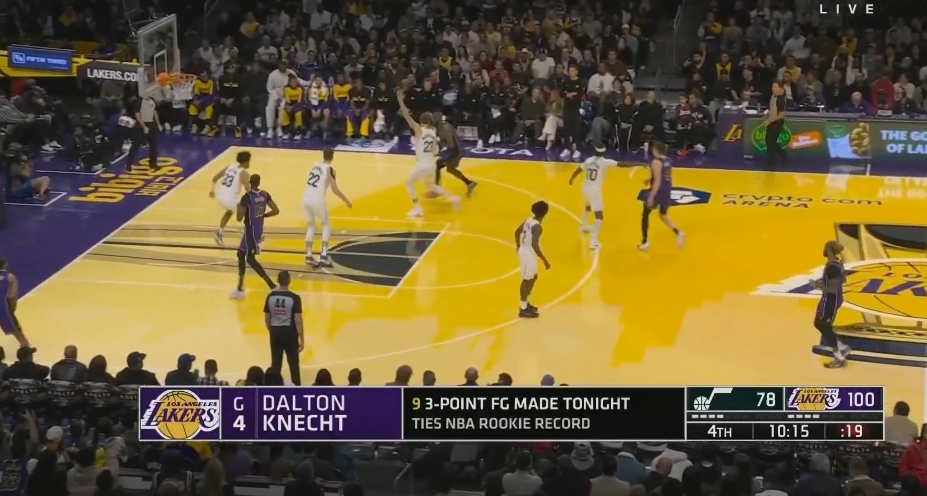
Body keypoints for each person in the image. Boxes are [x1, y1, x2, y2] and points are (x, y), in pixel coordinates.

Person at [396, 88, 460, 217]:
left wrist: (400, 100)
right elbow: (436, 151)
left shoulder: (419, 129)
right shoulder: (433, 132)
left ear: (420, 121)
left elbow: (406, 115)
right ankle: (451, 197)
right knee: (431, 185)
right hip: (432, 164)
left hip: (423, 165)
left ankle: (417, 208)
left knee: (409, 183)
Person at [230, 174, 279, 299]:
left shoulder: (247, 198)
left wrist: (238, 207)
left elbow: (239, 218)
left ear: (249, 183)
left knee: (250, 259)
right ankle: (240, 288)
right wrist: (264, 216)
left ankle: (272, 285)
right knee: (241, 253)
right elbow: (276, 210)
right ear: (259, 182)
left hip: (250, 231)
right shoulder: (265, 194)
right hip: (258, 229)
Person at [302, 148, 352, 267]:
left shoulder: (315, 165)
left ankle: (308, 255)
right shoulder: (330, 170)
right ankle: (324, 255)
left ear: (323, 155)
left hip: (305, 198)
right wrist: (346, 201)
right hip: (317, 200)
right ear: (332, 156)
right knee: (326, 225)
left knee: (311, 226)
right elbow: (334, 189)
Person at [811, 240, 852, 368]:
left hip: (831, 299)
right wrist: (824, 281)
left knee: (823, 325)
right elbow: (843, 280)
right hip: (833, 298)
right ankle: (841, 347)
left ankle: (839, 357)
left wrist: (817, 286)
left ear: (829, 250)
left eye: (825, 247)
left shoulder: (832, 267)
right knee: (820, 324)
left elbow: (832, 289)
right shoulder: (837, 263)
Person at [569, 145, 618, 250]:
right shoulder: (604, 162)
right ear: (604, 153)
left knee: (588, 207)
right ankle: (593, 242)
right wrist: (638, 164)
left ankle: (583, 226)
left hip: (585, 187)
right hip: (594, 190)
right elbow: (621, 164)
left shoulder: (589, 160)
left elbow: (579, 169)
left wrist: (572, 178)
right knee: (599, 216)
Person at [639, 141, 685, 251]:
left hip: (659, 190)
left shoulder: (656, 162)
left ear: (656, 150)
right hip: (667, 188)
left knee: (645, 215)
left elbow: (658, 181)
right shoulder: (668, 160)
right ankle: (678, 232)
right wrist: (650, 178)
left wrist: (651, 196)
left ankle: (645, 242)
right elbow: (664, 174)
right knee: (663, 214)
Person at [264, 271, 304, 385]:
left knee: (275, 364)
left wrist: (272, 331)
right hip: (290, 333)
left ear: (278, 281)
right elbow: (298, 320)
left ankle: (273, 388)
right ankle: (297, 388)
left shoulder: (270, 296)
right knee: (294, 364)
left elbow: (267, 318)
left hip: (275, 332)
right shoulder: (295, 298)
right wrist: (301, 339)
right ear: (289, 281)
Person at [515, 201, 551, 318]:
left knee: (533, 277)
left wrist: (518, 245)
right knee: (527, 280)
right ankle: (523, 308)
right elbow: (535, 245)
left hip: (526, 251)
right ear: (545, 212)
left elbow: (517, 232)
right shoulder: (537, 227)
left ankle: (526, 303)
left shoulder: (528, 220)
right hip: (528, 253)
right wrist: (544, 260)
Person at [210, 151, 252, 246]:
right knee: (251, 210)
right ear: (246, 161)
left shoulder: (230, 167)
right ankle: (252, 235)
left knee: (230, 211)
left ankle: (219, 233)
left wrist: (212, 191)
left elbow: (214, 178)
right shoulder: (244, 173)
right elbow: (249, 190)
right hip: (229, 200)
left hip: (220, 197)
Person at [432, 111, 477, 197]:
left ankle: (437, 189)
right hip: (454, 150)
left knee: (438, 165)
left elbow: (451, 145)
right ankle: (469, 183)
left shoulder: (445, 128)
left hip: (455, 151)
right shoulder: (440, 127)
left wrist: (442, 153)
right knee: (450, 169)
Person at [0, 256, 31, 349]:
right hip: (3, 308)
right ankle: (26, 349)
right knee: (17, 332)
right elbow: (12, 296)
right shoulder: (10, 277)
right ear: (5, 265)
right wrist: (13, 307)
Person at [765, 80, 787, 169]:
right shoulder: (773, 97)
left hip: (777, 122)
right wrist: (767, 113)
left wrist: (770, 120)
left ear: (780, 88)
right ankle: (782, 155)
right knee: (769, 140)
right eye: (772, 86)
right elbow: (770, 108)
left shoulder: (780, 99)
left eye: (774, 87)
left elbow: (781, 114)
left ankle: (772, 161)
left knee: (771, 141)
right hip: (771, 121)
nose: (772, 89)